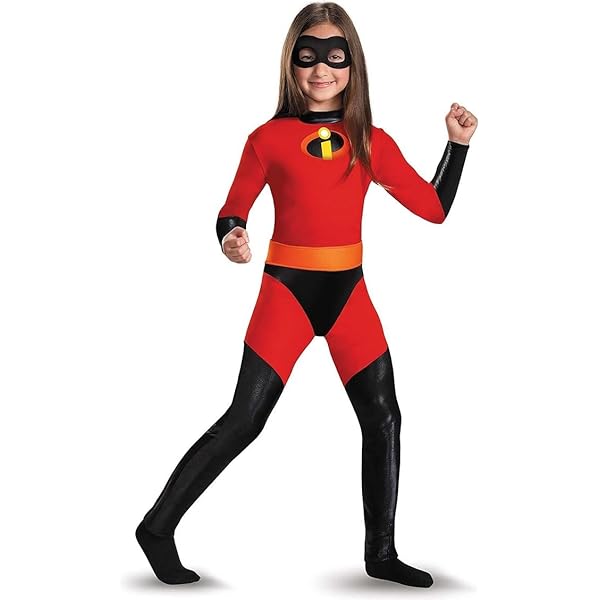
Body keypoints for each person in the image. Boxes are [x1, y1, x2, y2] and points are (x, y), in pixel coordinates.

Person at [135, 1, 478, 588]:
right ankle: (157, 527)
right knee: (245, 419)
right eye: (308, 56)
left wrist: (457, 145)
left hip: (348, 294)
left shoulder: (370, 141)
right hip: (286, 292)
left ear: (353, 66)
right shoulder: (266, 139)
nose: (322, 70)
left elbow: (434, 208)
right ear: (290, 63)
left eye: (335, 57)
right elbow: (232, 208)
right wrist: (232, 236)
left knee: (384, 418)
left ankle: (381, 553)